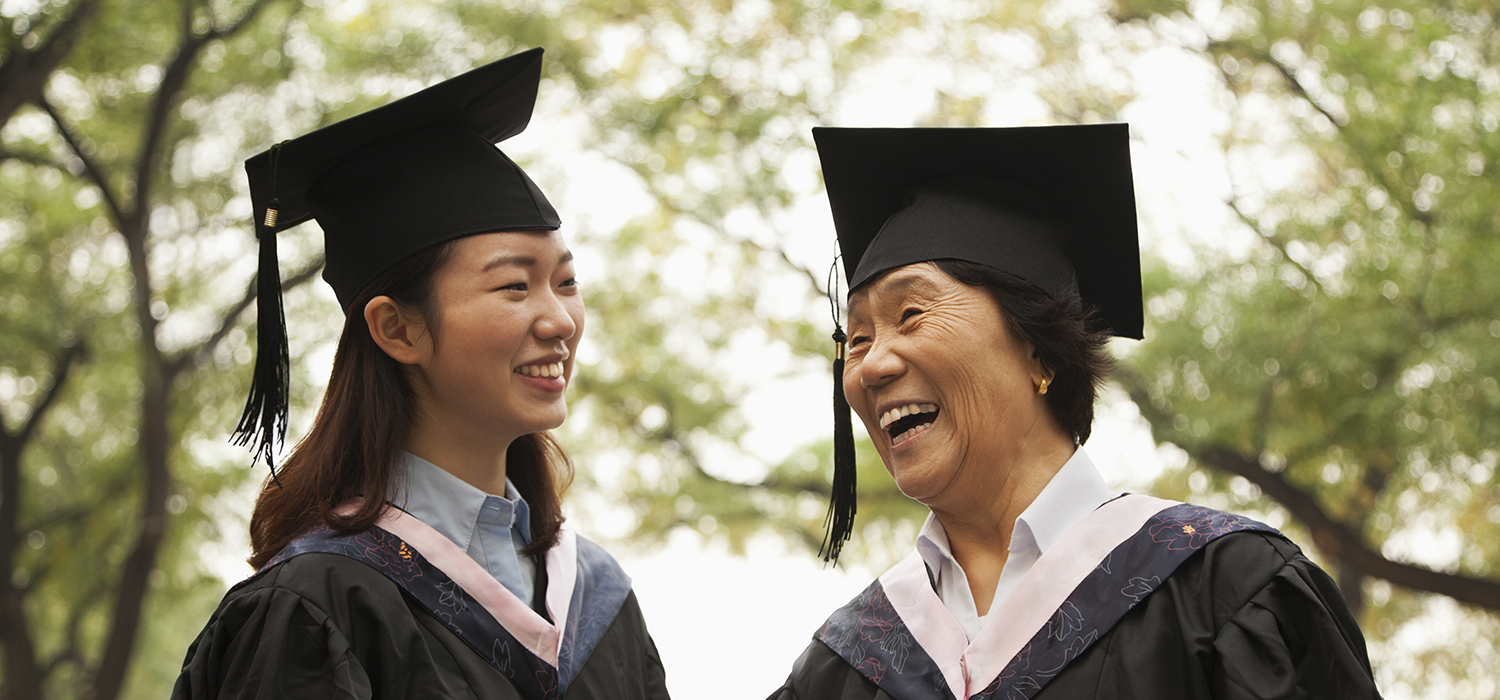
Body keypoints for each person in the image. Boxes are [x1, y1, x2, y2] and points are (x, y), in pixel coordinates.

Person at [769, 125, 1380, 699]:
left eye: (911, 316)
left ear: (1040, 352)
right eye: (858, 339)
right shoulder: (844, 667)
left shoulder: (1227, 591)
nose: (873, 365)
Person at [172, 49, 670, 700]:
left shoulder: (598, 601)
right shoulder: (315, 608)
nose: (560, 320)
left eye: (566, 282)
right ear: (396, 329)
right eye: (515, 287)